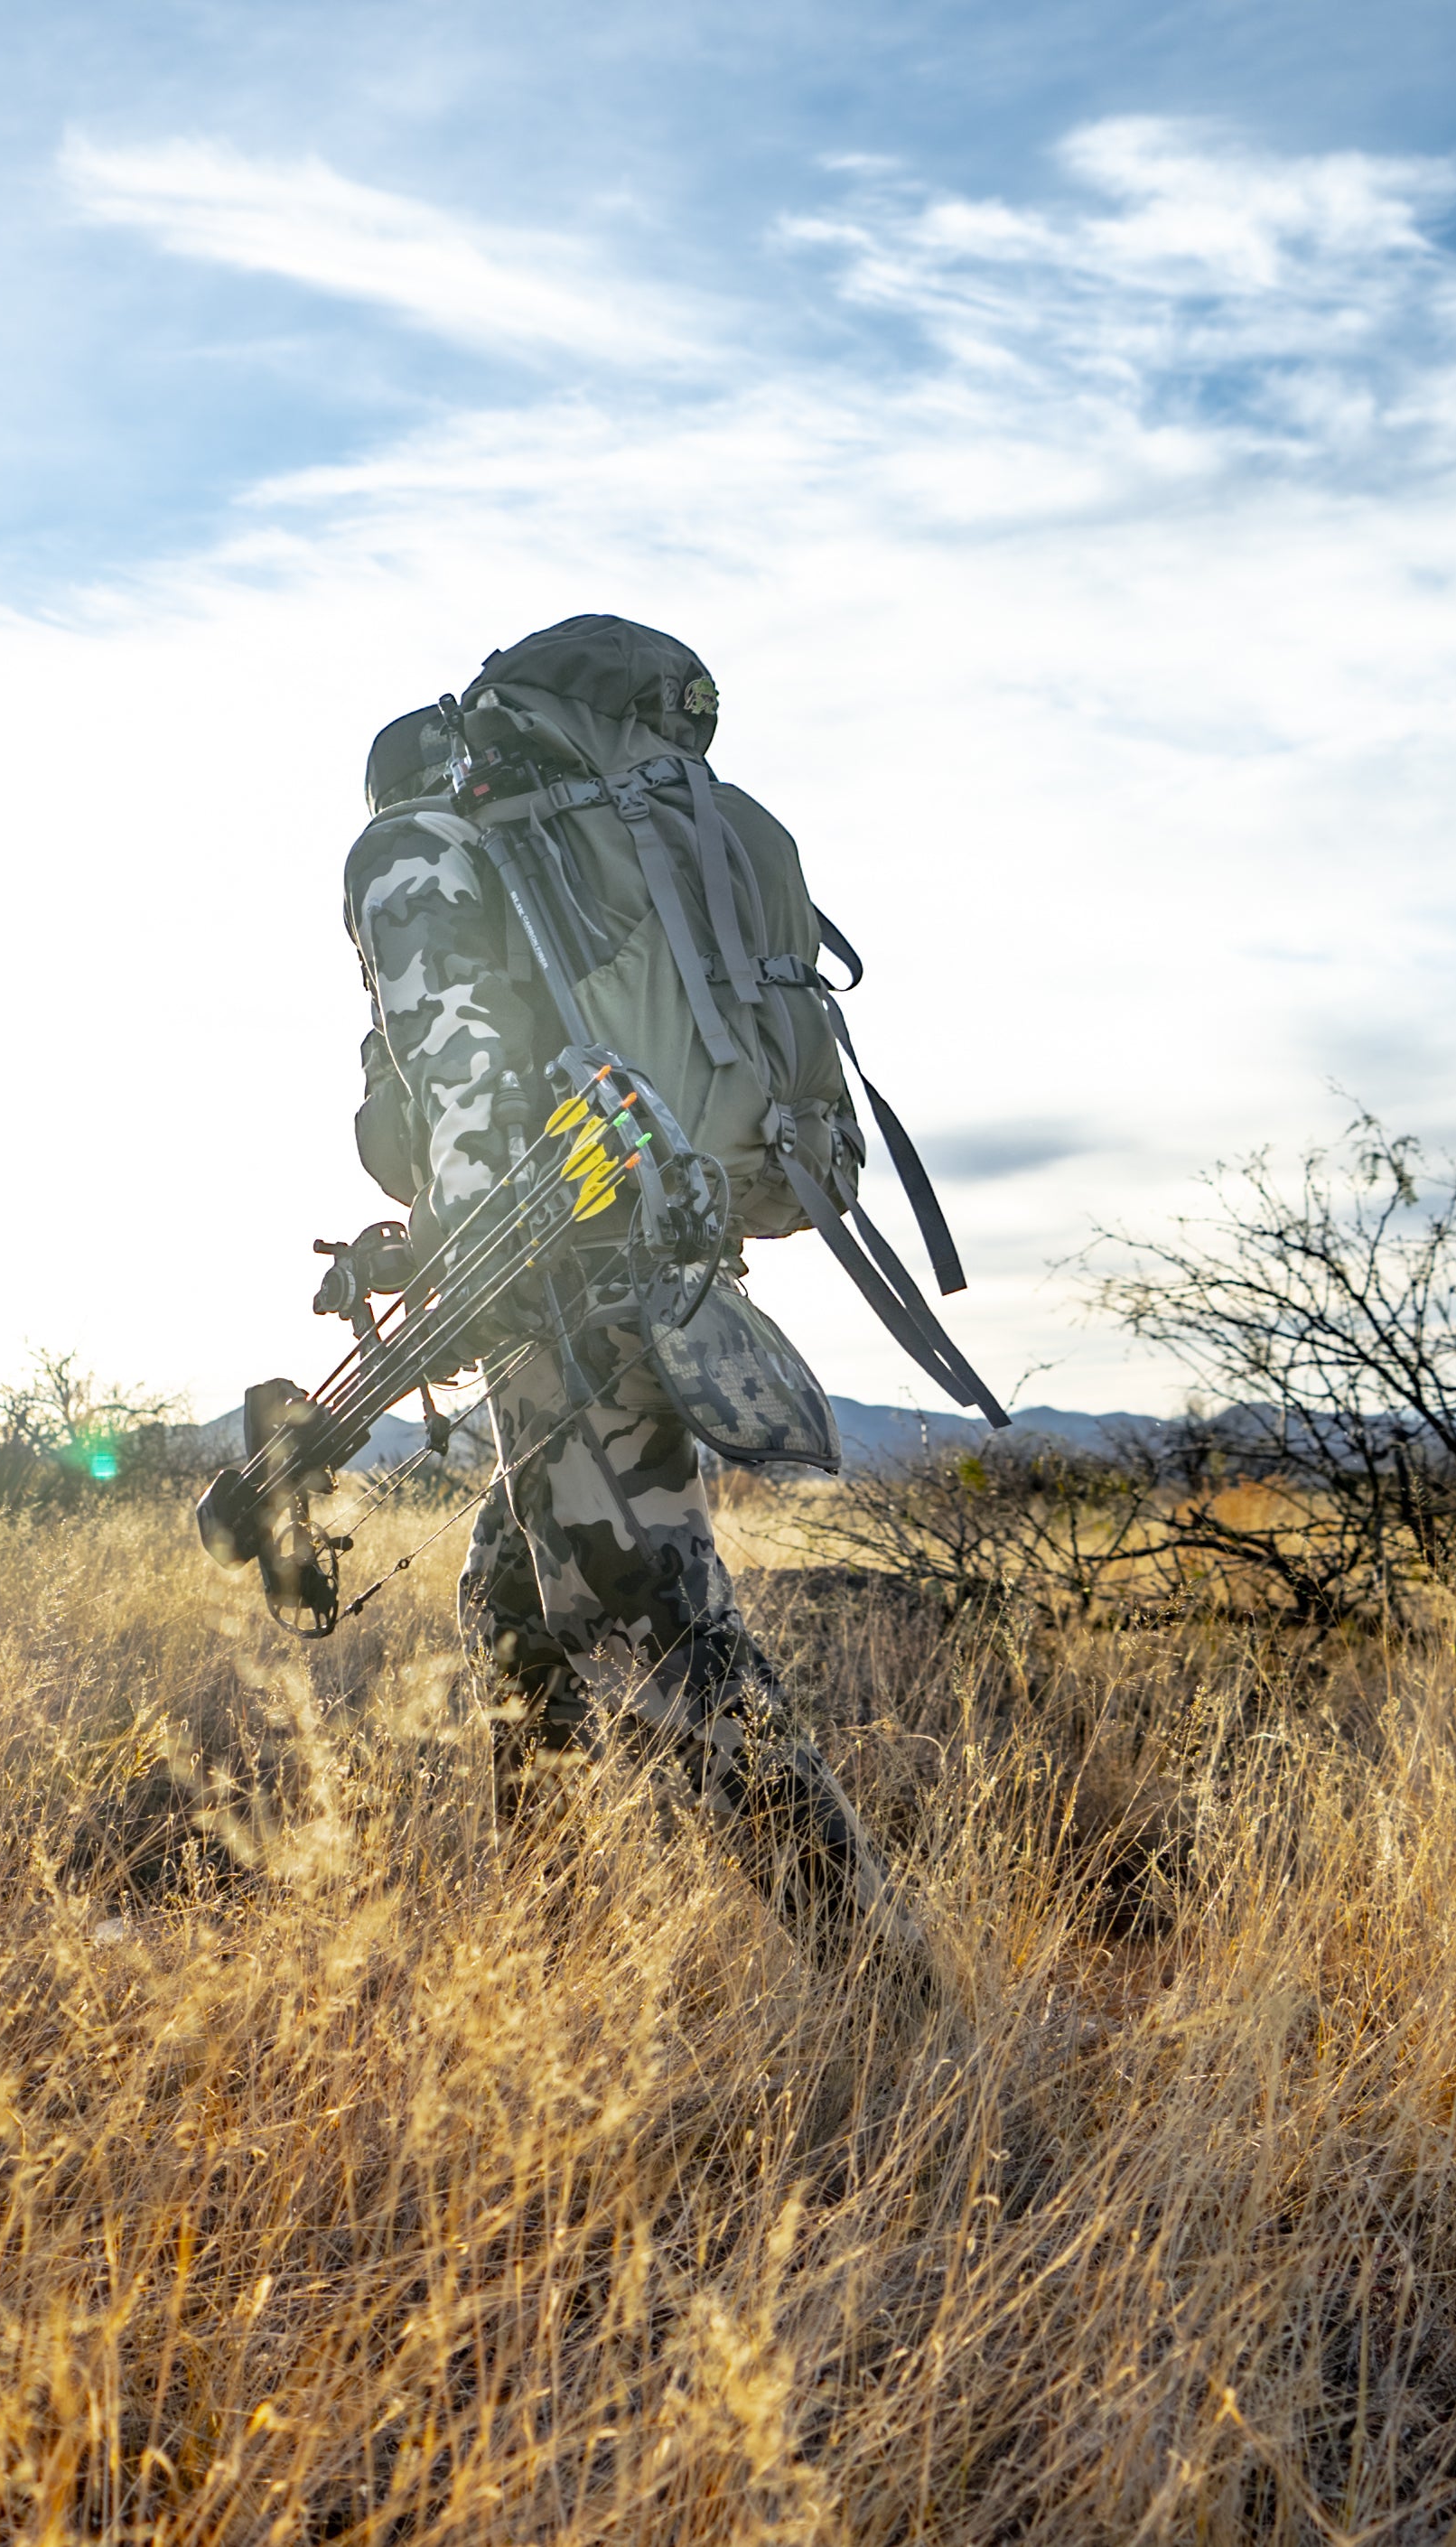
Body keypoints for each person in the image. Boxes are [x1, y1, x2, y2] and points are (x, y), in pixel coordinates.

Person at [343, 616, 929, 1967]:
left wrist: (456, 1244)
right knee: (515, 1598)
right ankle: (542, 1971)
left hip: (557, 1273)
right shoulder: (631, 831)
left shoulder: (424, 845)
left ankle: (890, 1988)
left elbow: (460, 1077)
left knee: (659, 1622)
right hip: (669, 1243)